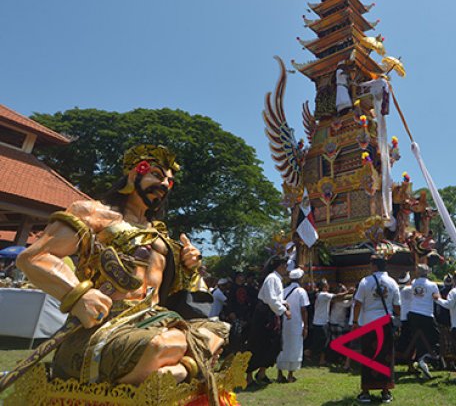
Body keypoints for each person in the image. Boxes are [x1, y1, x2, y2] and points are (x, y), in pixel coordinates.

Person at [15, 144, 228, 402]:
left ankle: (176, 371)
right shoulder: (94, 214)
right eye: (157, 175)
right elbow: (34, 257)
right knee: (160, 345)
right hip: (107, 324)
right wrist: (78, 295)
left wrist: (190, 267)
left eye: (169, 182)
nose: (164, 185)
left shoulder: (162, 235)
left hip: (159, 318)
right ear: (132, 173)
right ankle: (137, 386)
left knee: (219, 330)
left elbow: (178, 293)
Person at [353, 254, 400, 404]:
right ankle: (385, 392)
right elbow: (397, 307)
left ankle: (366, 392)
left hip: (368, 323)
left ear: (374, 265)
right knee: (386, 356)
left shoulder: (365, 282)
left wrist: (355, 321)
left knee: (368, 356)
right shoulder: (392, 283)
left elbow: (358, 303)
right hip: (385, 323)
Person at [245, 255, 291, 386]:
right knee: (258, 343)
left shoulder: (277, 279)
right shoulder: (272, 278)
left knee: (273, 344)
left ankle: (261, 373)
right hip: (264, 316)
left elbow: (276, 297)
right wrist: (283, 310)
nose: (286, 269)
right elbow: (271, 299)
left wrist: (283, 303)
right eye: (285, 266)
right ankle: (248, 376)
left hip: (271, 315)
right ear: (280, 266)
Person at [276, 268, 310, 383]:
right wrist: (305, 326)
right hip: (296, 323)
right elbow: (304, 310)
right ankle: (290, 375)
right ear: (300, 278)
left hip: (285, 323)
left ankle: (279, 373)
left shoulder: (284, 290)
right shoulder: (301, 291)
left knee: (283, 346)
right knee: (295, 347)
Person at [408, 264, 441, 379]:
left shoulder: (412, 283)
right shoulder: (432, 285)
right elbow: (437, 298)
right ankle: (428, 357)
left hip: (413, 314)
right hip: (427, 314)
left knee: (419, 339)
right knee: (435, 337)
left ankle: (422, 360)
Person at [395, 272, 415, 368]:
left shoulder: (397, 290)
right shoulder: (410, 289)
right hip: (410, 318)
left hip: (402, 318)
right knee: (411, 341)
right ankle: (410, 363)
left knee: (404, 340)